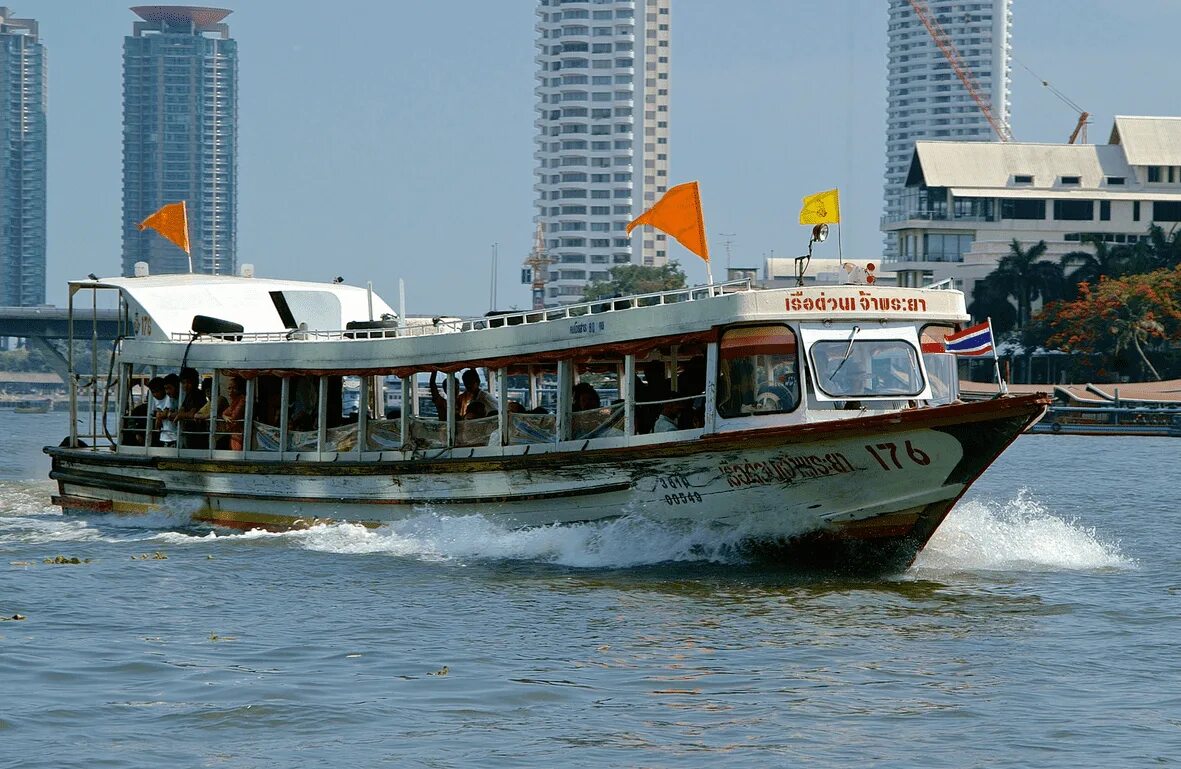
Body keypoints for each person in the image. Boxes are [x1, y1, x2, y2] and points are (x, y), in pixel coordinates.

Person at [175, 367, 208, 448]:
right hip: (189, 432)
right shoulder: (188, 395)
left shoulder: (197, 394)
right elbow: (181, 410)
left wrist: (180, 416)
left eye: (188, 382)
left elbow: (191, 414)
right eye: (183, 383)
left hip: (197, 433)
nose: (185, 385)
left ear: (195, 382)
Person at [218, 377, 247, 451]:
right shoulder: (235, 401)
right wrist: (225, 416)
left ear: (240, 389)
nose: (231, 391)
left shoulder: (242, 399)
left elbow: (234, 418)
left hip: (241, 434)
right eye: (229, 388)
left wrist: (226, 417)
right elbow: (224, 413)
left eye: (234, 388)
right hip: (234, 433)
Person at [147, 376, 176, 447]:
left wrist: (159, 416)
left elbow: (164, 414)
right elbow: (155, 413)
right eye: (153, 392)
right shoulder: (154, 400)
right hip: (163, 435)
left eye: (157, 391)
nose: (155, 394)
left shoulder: (169, 397)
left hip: (174, 434)